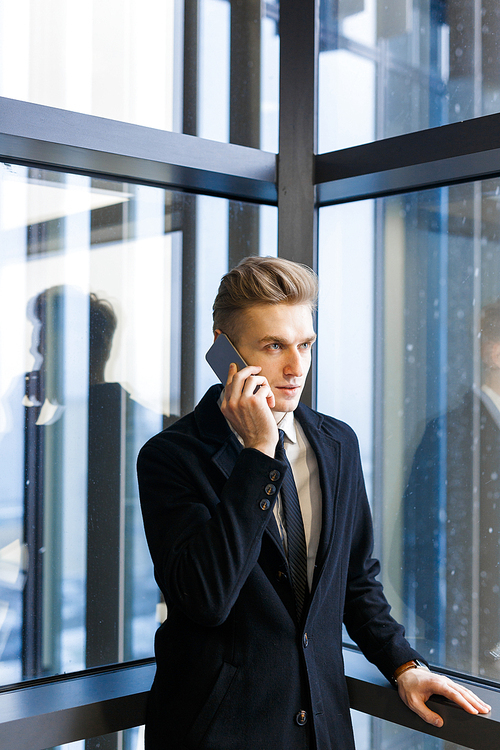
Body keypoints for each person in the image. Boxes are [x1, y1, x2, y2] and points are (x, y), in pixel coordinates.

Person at [137, 256, 490, 750]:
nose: (296, 367)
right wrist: (259, 452)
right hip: (216, 733)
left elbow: (355, 580)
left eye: (305, 344)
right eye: (274, 345)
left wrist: (404, 665)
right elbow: (205, 599)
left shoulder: (337, 443)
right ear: (224, 351)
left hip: (323, 731)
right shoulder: (171, 457)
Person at [405, 298, 500, 678]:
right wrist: (476, 650)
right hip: (475, 660)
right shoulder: (453, 434)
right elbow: (421, 556)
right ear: (493, 351)